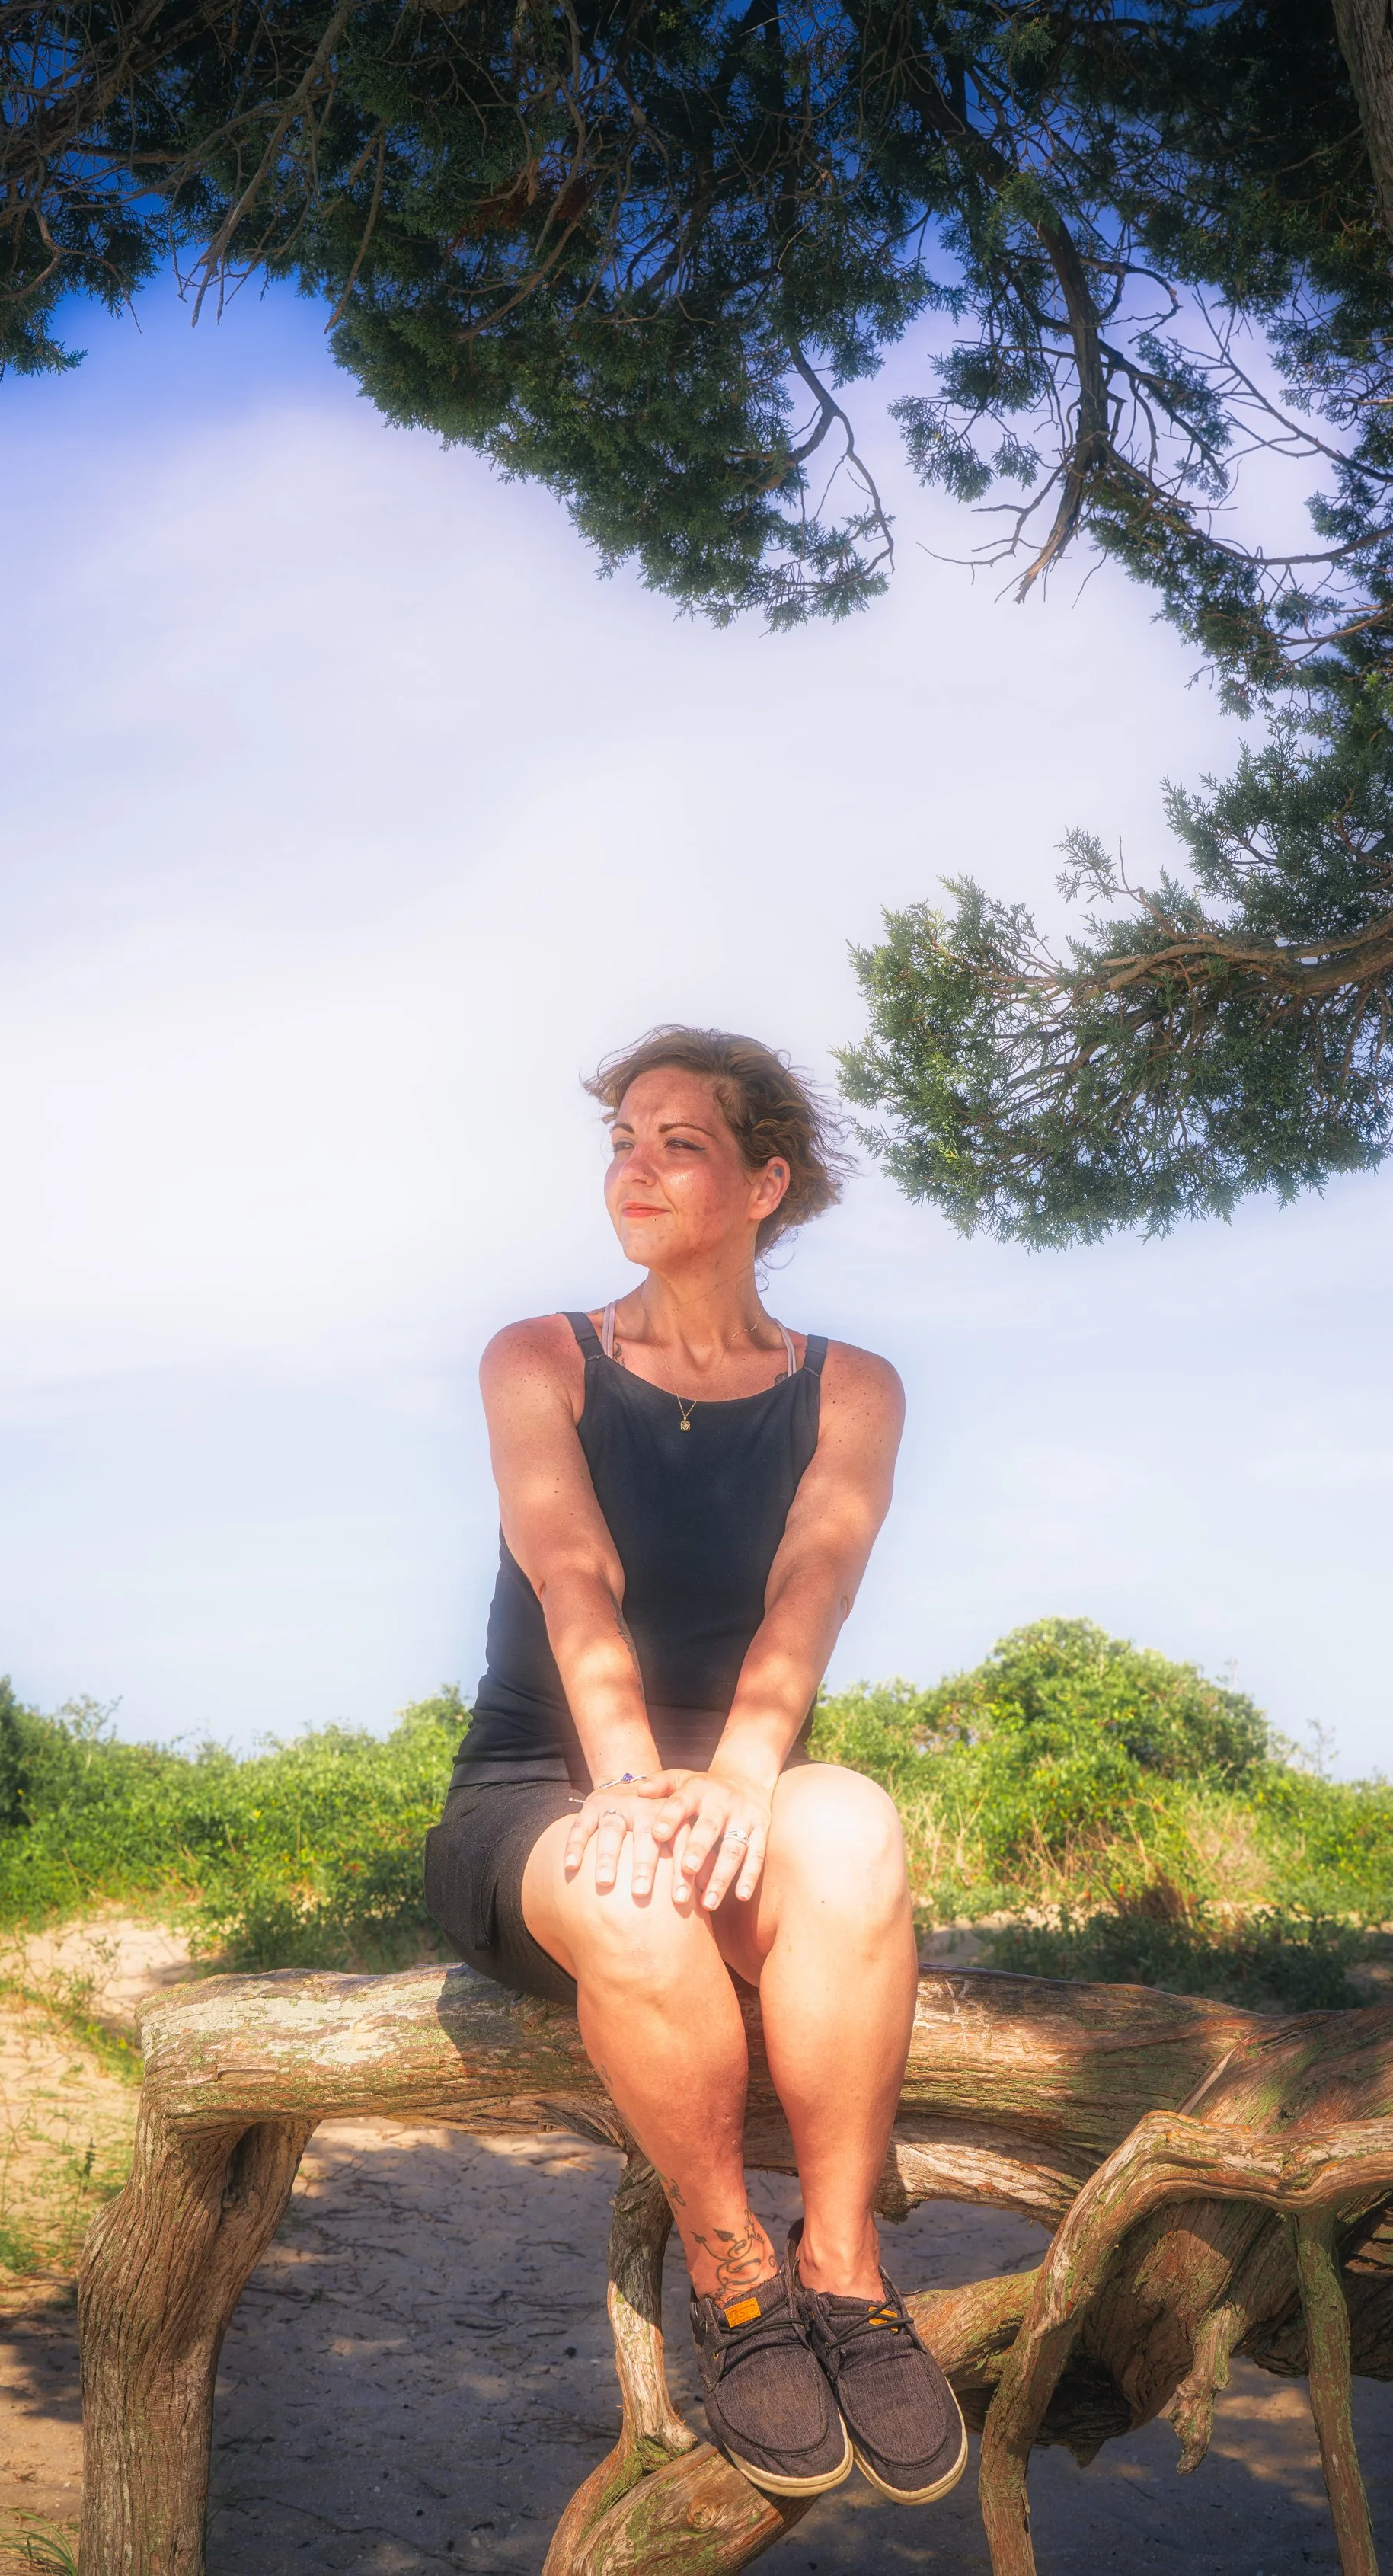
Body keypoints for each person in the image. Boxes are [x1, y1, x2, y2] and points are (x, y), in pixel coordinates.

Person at [422, 1026, 966, 2508]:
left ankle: (841, 2273)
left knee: (849, 1827)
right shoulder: (540, 1357)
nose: (635, 1168)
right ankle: (733, 2276)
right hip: (542, 1787)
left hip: (737, 1780)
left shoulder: (852, 1388)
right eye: (620, 1141)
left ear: (763, 1181)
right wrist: (625, 1783)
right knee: (635, 1900)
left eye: (678, 1143)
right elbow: (568, 1566)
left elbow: (813, 1583)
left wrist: (731, 1778)